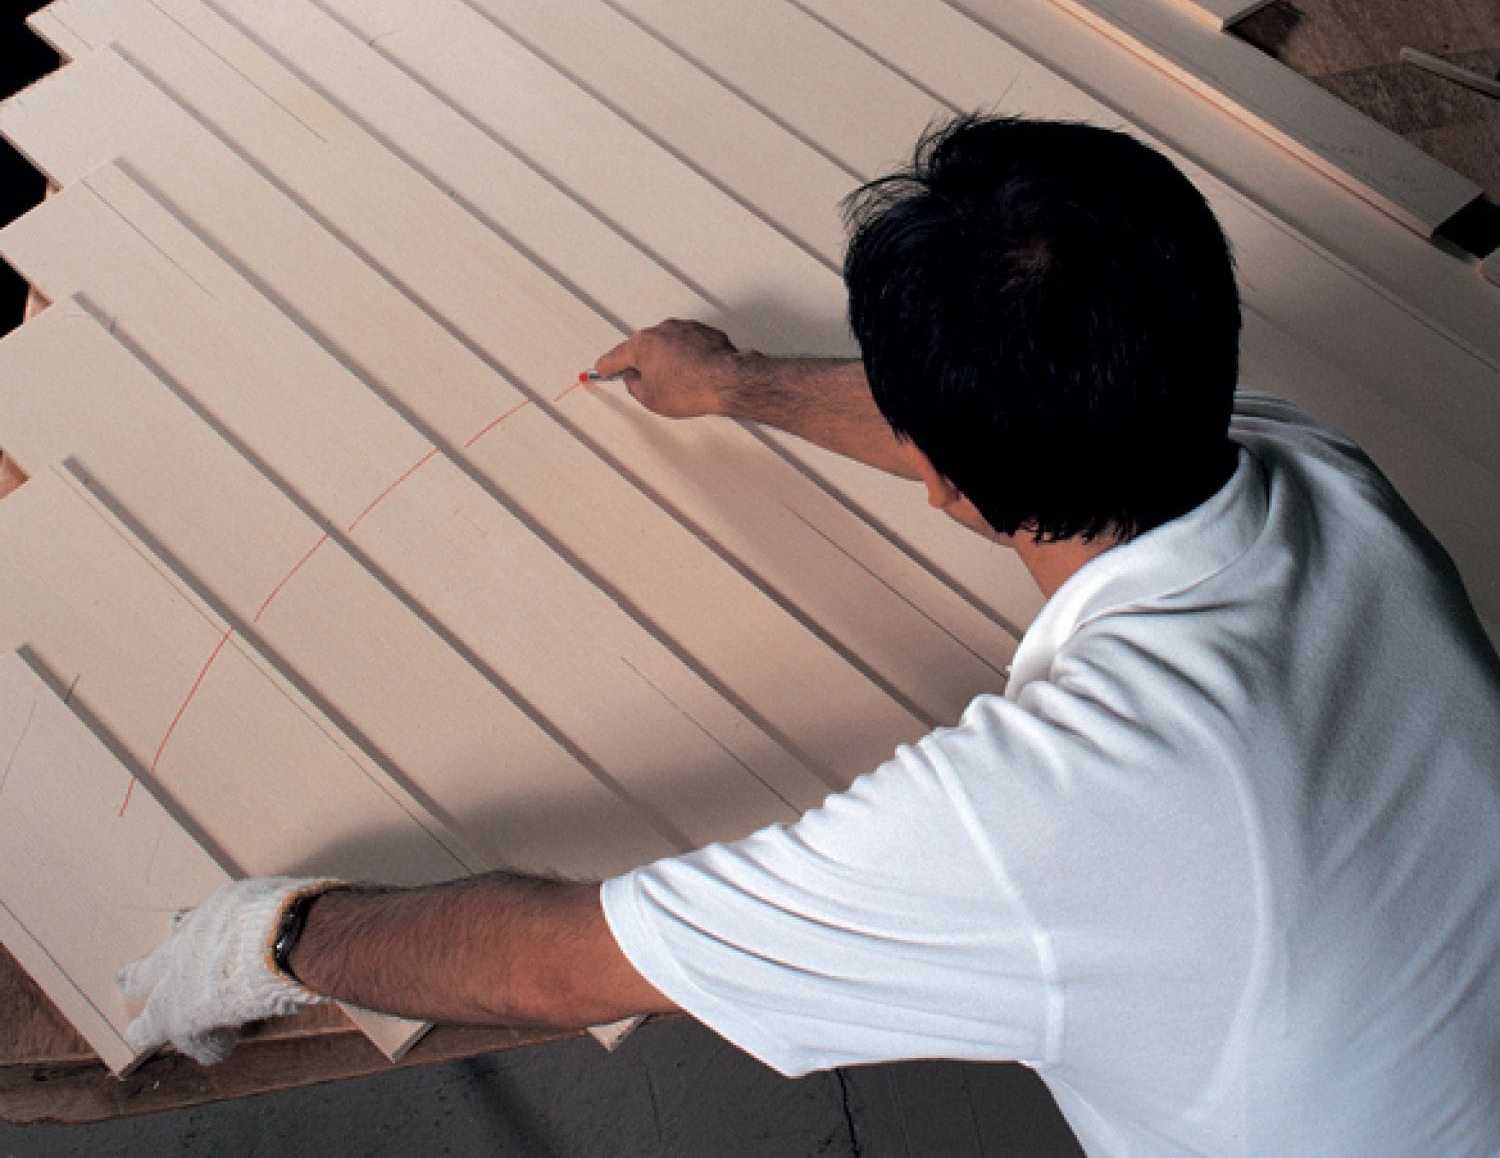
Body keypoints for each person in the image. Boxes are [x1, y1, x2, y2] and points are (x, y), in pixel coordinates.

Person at [117, 116, 1500, 1158]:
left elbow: (554, 969)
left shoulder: (1055, 807)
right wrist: (740, 385)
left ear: (951, 479)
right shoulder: (1309, 465)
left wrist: (270, 942)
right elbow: (1000, 435)